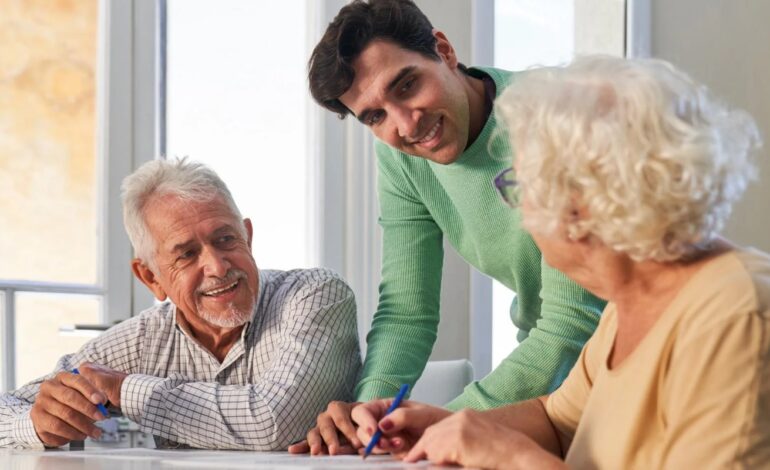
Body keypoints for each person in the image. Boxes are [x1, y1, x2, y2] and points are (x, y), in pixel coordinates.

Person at [351, 55, 770, 468]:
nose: (521, 209)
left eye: (520, 187)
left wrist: (513, 456)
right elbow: (557, 420)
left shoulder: (736, 318)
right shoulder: (628, 306)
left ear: (580, 207)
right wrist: (445, 426)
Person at [289, 0, 606, 455]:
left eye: (407, 85)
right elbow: (407, 312)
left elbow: (573, 320)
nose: (405, 124)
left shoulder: (553, 115)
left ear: (444, 50)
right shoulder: (401, 157)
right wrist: (369, 419)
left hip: (624, 367)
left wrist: (439, 426)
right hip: (550, 395)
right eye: (375, 116)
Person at [0, 159, 361, 450]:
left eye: (226, 239)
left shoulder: (314, 295)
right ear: (151, 278)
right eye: (187, 254)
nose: (217, 267)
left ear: (248, 237)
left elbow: (275, 420)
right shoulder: (141, 340)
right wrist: (38, 423)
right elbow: (9, 408)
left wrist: (126, 390)